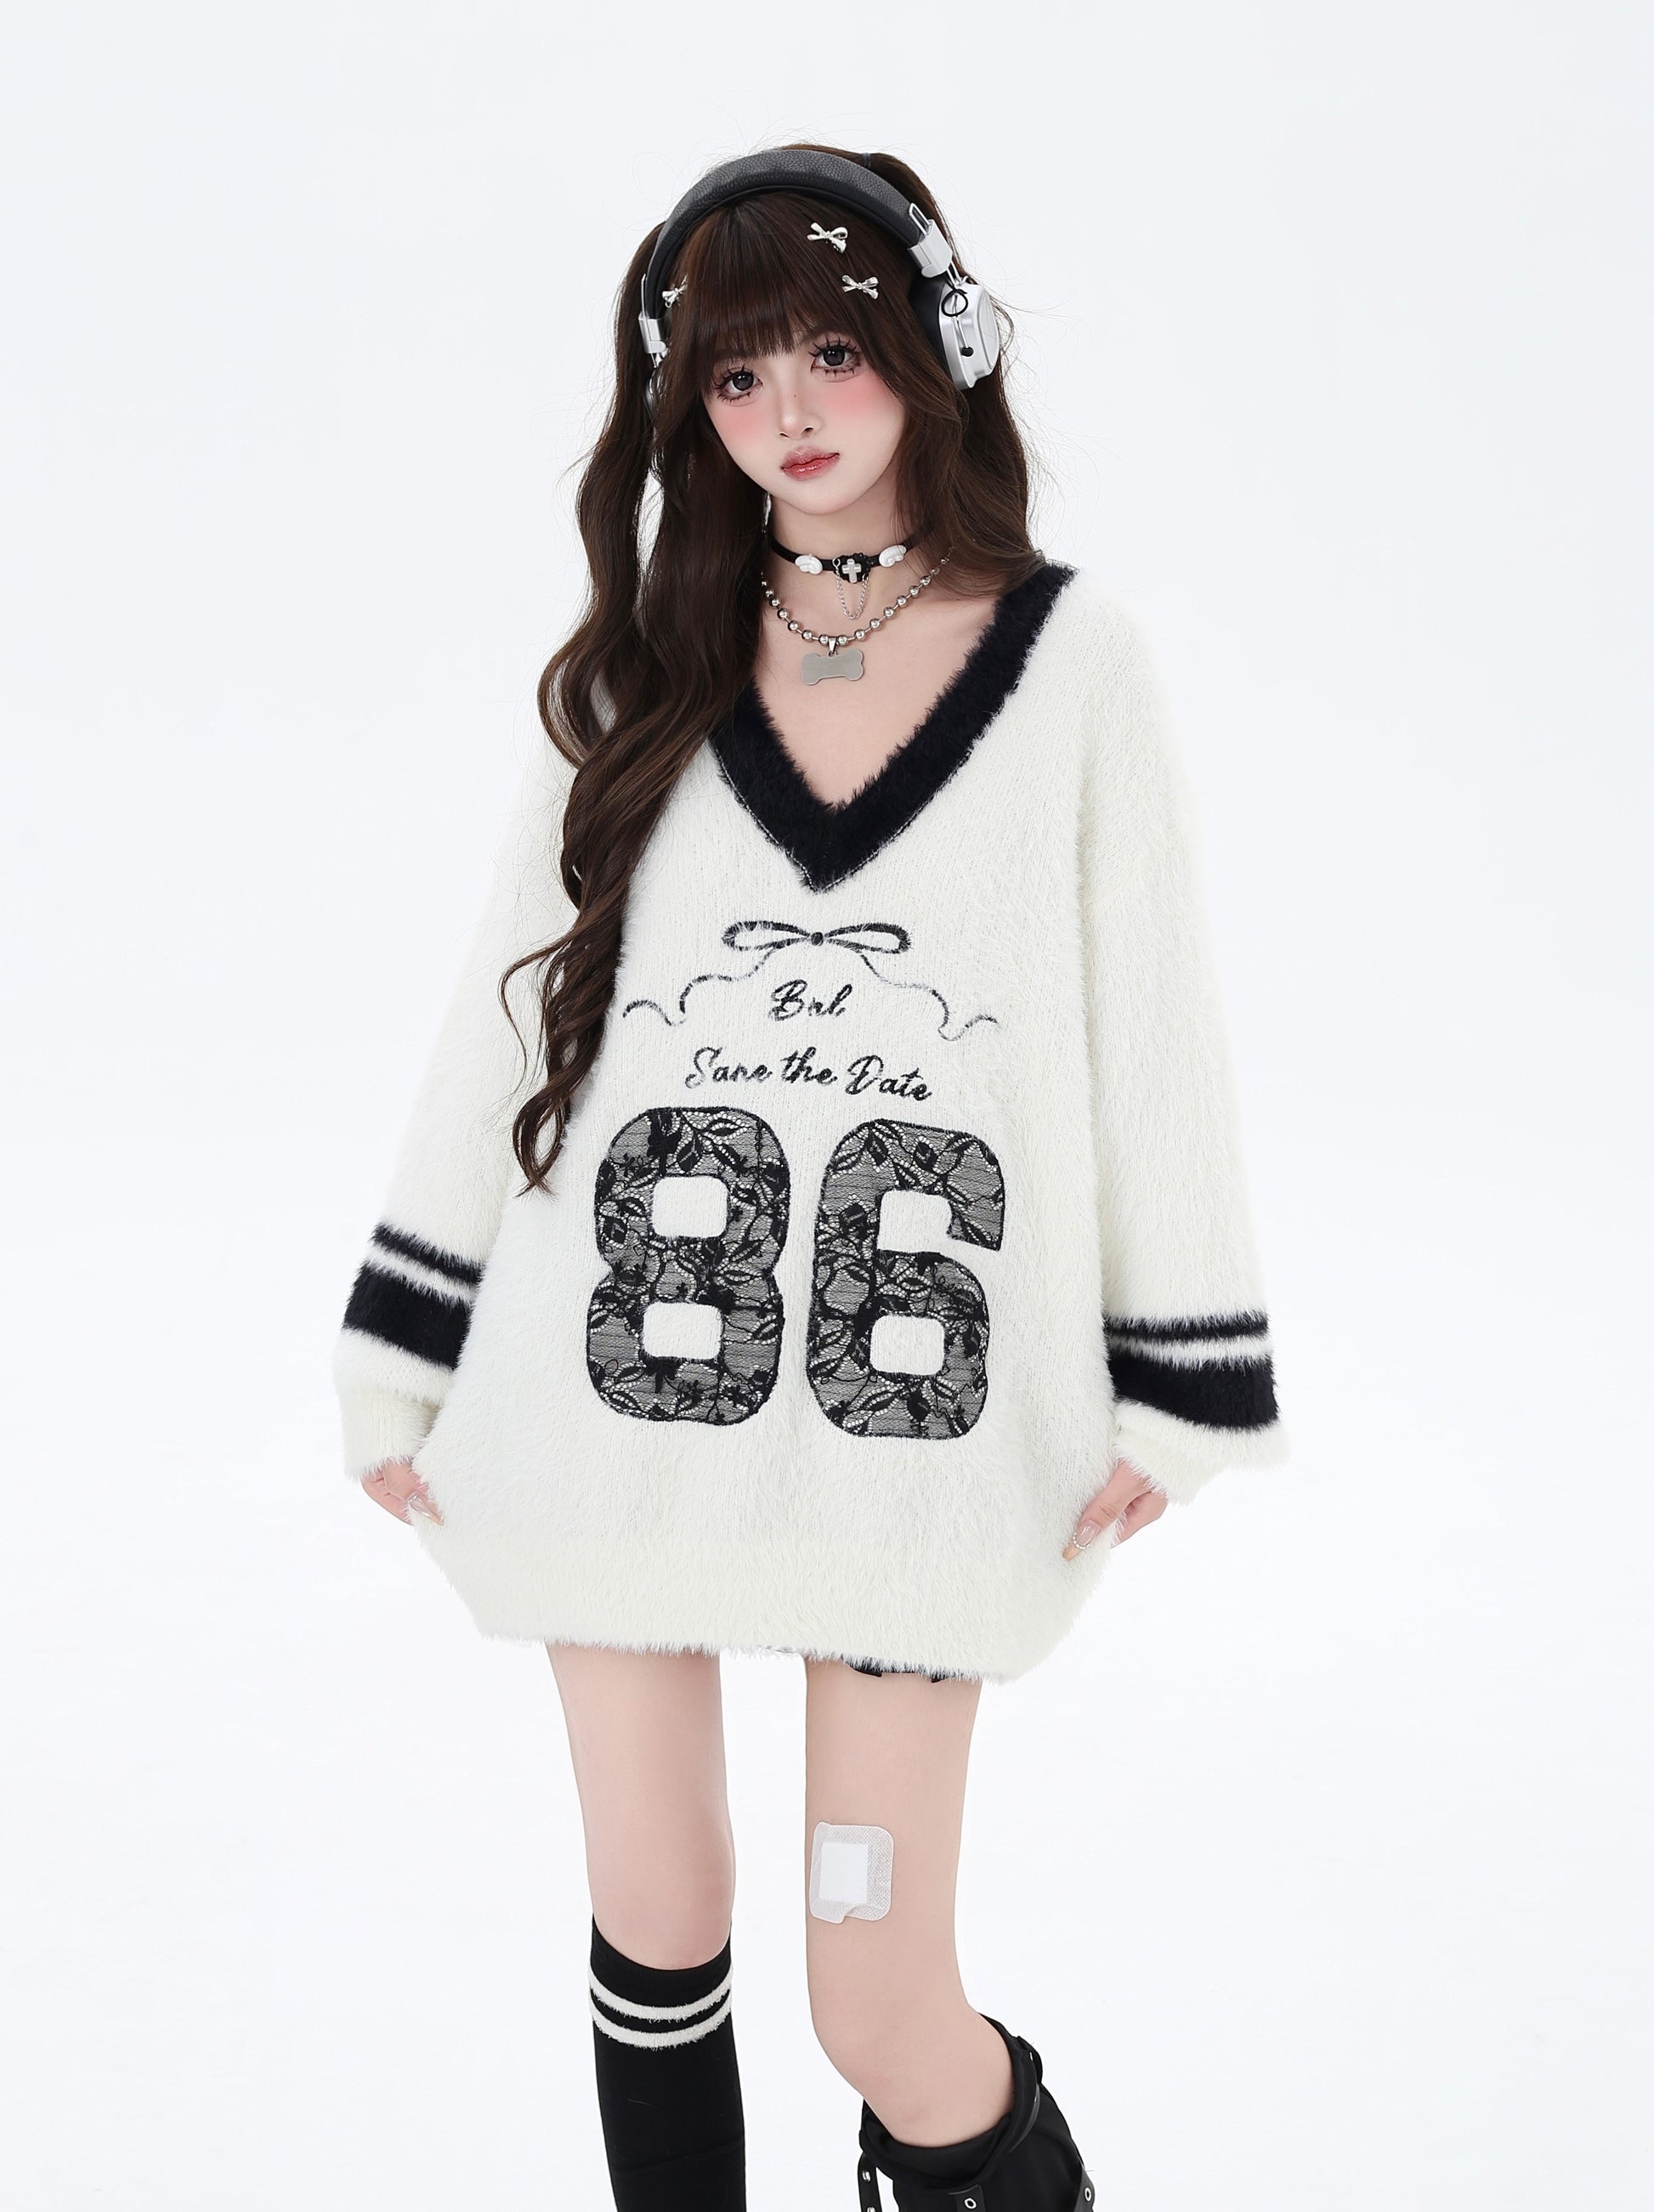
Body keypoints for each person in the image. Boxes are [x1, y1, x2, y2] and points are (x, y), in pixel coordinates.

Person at [332, 143, 1285, 2212]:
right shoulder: (633, 675)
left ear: (933, 353)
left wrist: (1182, 1375)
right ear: (687, 402)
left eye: (833, 351)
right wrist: (399, 1348)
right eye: (738, 369)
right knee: (656, 1920)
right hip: (613, 1396)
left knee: (877, 1997)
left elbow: (1153, 1028)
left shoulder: (1070, 665)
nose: (790, 408)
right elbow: (507, 1015)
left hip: (914, 1413)